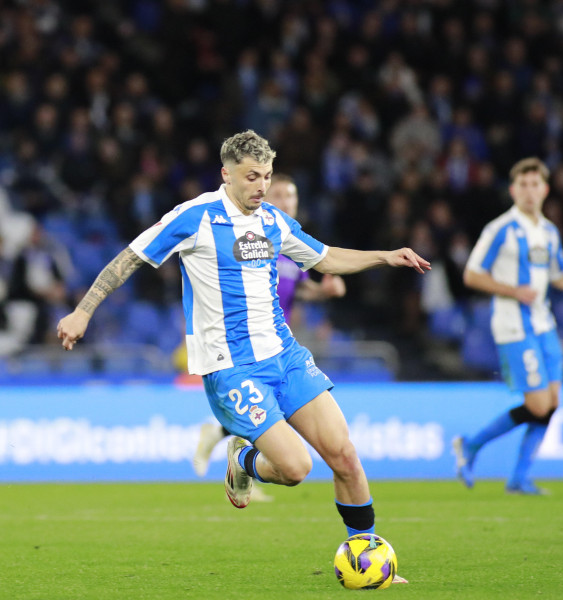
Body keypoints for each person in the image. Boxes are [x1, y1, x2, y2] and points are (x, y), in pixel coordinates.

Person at [57, 131, 428, 578]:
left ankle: (365, 554)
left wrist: (386, 256)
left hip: (285, 356)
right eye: (252, 176)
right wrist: (83, 311)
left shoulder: (273, 220)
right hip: (232, 369)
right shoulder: (195, 217)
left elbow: (324, 258)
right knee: (295, 469)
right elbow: (130, 258)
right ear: (226, 174)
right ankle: (243, 459)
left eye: (267, 176)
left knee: (344, 455)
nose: (261, 186)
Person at [451, 157, 563, 495]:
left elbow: (558, 276)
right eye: (523, 184)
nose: (529, 191)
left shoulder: (549, 231)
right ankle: (471, 445)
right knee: (537, 405)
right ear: (513, 190)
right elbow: (472, 274)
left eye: (535, 184)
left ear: (545, 189)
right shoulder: (500, 229)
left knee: (552, 403)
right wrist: (513, 290)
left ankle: (519, 478)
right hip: (513, 326)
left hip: (543, 324)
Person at [191, 173, 347, 487]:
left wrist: (325, 290)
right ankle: (238, 451)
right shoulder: (249, 241)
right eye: (279, 195)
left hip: (279, 347)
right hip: (242, 351)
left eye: (292, 196)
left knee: (280, 415)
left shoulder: (289, 246)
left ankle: (236, 451)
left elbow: (300, 290)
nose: (286, 201)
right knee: (276, 426)